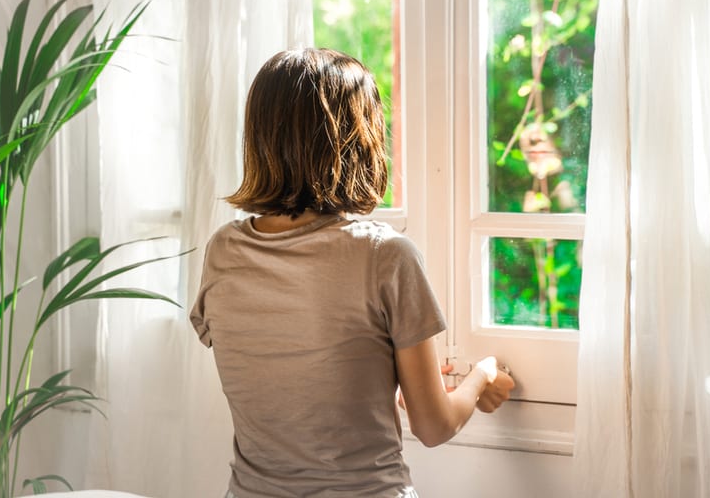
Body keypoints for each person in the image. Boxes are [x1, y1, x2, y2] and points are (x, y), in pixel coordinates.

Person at [190, 48, 515, 498]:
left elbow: (289, 373)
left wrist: (386, 375)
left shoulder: (224, 251)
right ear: (357, 139)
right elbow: (434, 426)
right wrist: (482, 376)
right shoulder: (386, 255)